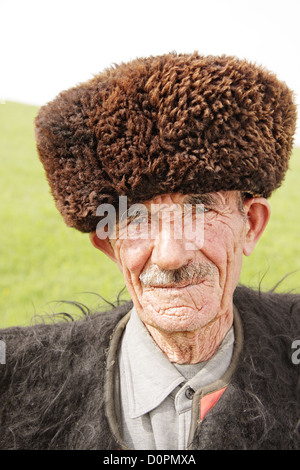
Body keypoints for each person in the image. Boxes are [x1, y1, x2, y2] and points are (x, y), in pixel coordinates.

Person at [0, 53, 299, 451]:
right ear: (109, 245)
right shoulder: (13, 386)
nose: (170, 256)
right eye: (137, 217)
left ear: (251, 224)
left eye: (199, 207)